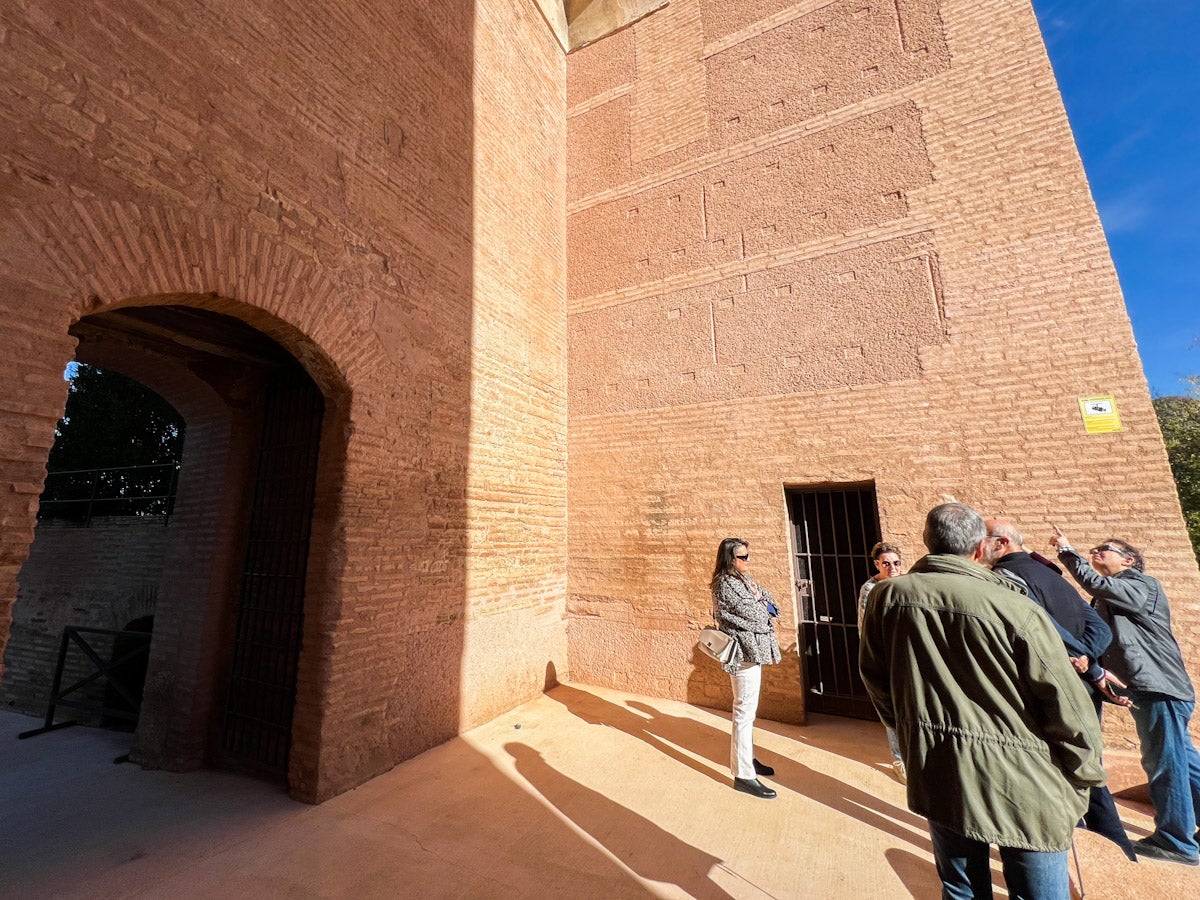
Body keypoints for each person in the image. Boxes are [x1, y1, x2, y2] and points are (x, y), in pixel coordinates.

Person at [860, 503, 1104, 899]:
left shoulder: (889, 598)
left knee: (962, 889)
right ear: (978, 548)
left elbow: (876, 680)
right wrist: (1084, 769)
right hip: (1024, 778)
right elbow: (1064, 700)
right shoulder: (1014, 607)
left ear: (926, 543)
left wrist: (914, 729)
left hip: (940, 765)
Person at [983, 518, 1136, 861]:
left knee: (1061, 774)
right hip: (1084, 688)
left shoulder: (1006, 579)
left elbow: (1041, 627)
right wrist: (1091, 667)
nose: (978, 546)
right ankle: (1116, 852)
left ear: (1002, 544)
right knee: (1087, 767)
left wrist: (1078, 659)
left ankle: (1093, 856)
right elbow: (1099, 630)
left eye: (984, 538)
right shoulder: (1053, 578)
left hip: (1052, 688)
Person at [1051, 527, 1200, 866]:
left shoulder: (1142, 586)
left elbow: (1097, 583)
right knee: (1183, 759)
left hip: (1159, 686)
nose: (1097, 551)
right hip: (1153, 688)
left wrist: (1067, 551)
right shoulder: (1111, 597)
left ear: (1129, 560)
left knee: (1164, 762)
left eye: (1106, 548)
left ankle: (1177, 841)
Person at [711, 537, 782, 799]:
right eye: (742, 557)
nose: (747, 561)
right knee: (743, 711)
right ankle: (743, 775)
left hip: (754, 650)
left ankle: (748, 759)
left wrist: (763, 605)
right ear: (730, 558)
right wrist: (762, 607)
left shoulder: (744, 581)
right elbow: (755, 613)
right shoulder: (724, 584)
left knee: (749, 710)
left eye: (747, 556)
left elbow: (772, 603)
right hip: (742, 652)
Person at [857, 541, 906, 782]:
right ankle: (899, 759)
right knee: (891, 706)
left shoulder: (906, 583)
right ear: (877, 564)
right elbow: (864, 625)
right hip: (885, 656)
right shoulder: (871, 589)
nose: (892, 568)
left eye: (896, 563)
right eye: (886, 563)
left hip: (906, 654)